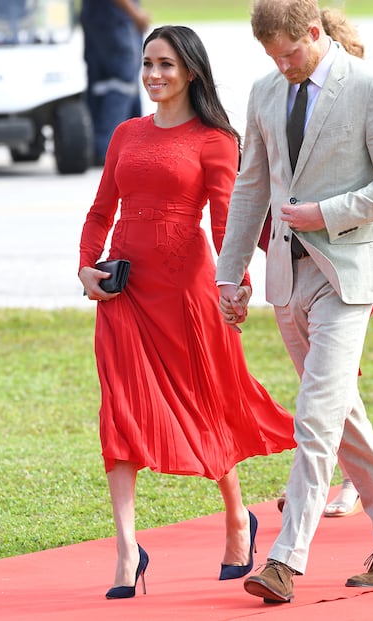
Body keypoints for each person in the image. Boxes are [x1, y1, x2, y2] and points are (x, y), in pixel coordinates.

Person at [78, 24, 296, 599]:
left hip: (187, 292)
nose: (153, 74)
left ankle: (235, 518)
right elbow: (102, 210)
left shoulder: (216, 139)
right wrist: (85, 267)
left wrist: (237, 287)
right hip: (124, 291)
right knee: (120, 409)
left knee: (206, 402)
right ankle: (127, 550)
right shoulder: (126, 132)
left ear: (191, 72)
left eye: (166, 65)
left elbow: (230, 221)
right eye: (148, 63)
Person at [216, 0, 373, 604]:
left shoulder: (365, 86)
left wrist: (327, 215)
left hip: (348, 275)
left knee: (314, 414)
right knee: (344, 418)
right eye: (270, 56)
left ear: (315, 33)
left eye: (290, 53)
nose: (282, 65)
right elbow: (251, 186)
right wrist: (229, 276)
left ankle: (285, 559)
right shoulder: (264, 90)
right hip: (286, 277)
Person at [273, 6, 366, 519]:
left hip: (355, 257)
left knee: (328, 386)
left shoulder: (359, 89)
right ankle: (349, 477)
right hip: (304, 262)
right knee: (333, 383)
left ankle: (321, 487)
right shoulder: (283, 94)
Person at [80, 0, 151, 166]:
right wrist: (135, 13)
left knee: (100, 83)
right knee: (122, 82)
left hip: (97, 16)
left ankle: (104, 146)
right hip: (116, 17)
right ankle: (111, 148)